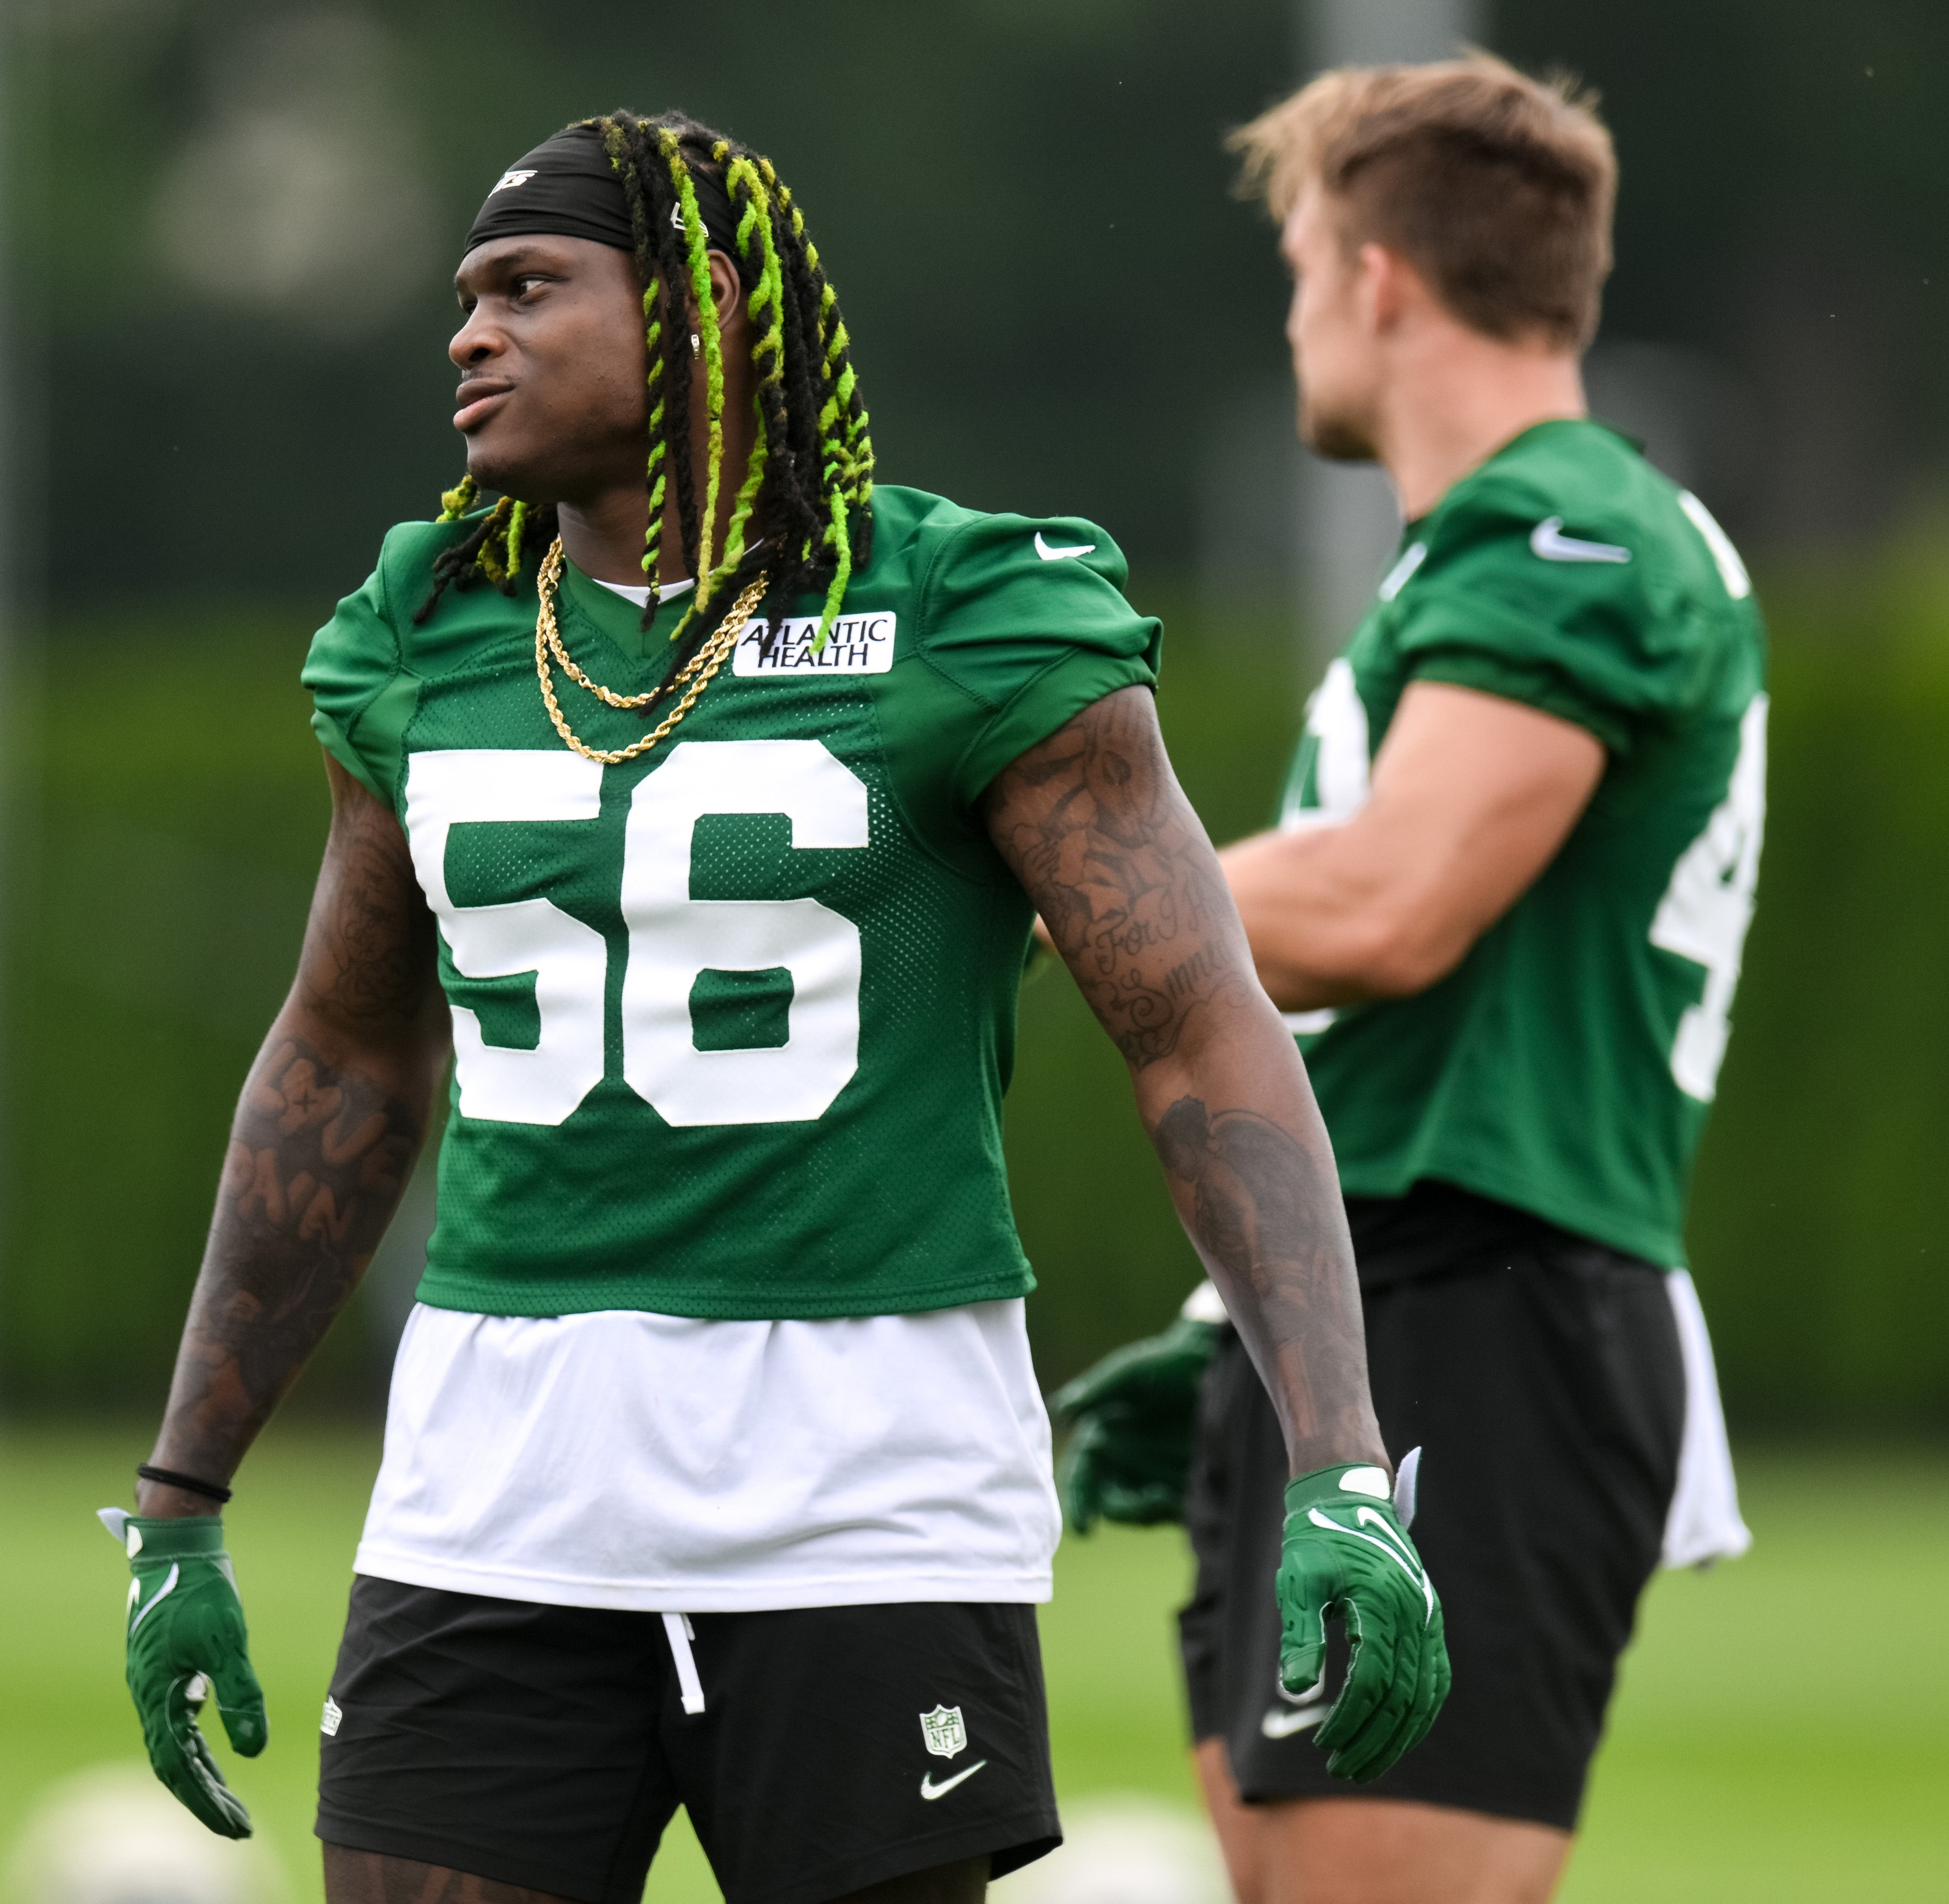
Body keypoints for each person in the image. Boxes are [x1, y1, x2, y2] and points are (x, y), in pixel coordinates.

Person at [112, 110, 1445, 1904]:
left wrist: (1339, 1461)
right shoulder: (425, 629)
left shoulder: (960, 610)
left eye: (527, 287)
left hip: (862, 1500)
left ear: (704, 312)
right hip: (491, 1499)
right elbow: (344, 1061)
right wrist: (183, 1495)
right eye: (462, 297)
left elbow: (1200, 1035)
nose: (469, 336)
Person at [1052, 54, 1763, 1904]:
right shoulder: (1484, 549)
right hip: (1367, 1298)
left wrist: (1035, 884)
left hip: (1489, 1290)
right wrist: (1238, 1335)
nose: (1294, 316)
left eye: (1297, 266)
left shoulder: (1568, 535)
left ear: (1372, 275)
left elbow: (1383, 904)